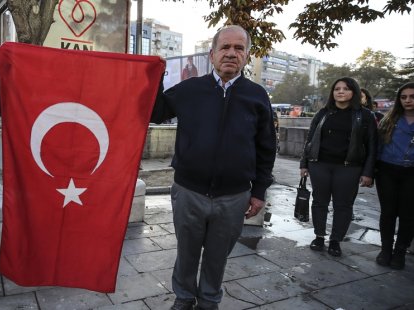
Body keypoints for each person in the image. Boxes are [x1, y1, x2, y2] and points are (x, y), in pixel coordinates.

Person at [151, 25, 277, 310]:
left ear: (246, 56)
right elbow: (156, 112)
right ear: (212, 54)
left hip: (234, 197)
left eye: (239, 48)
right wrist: (155, 75)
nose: (231, 54)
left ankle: (208, 300)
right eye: (225, 48)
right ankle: (183, 298)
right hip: (188, 191)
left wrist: (259, 192)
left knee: (218, 255)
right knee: (187, 253)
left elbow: (267, 147)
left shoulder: (257, 96)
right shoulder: (189, 89)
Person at [300, 77, 377, 257]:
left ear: (354, 92)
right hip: (320, 165)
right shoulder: (323, 113)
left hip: (349, 167)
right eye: (337, 89)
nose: (340, 92)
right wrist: (304, 164)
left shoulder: (365, 115)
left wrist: (368, 172)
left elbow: (373, 146)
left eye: (345, 89)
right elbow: (310, 140)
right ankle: (319, 236)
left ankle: (336, 240)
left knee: (343, 205)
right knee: (320, 202)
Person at [374, 82, 414, 270]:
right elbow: (378, 146)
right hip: (387, 170)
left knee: (408, 214)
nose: (408, 100)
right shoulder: (390, 120)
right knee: (388, 212)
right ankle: (386, 250)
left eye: (412, 97)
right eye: (404, 97)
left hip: (411, 173)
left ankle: (400, 252)